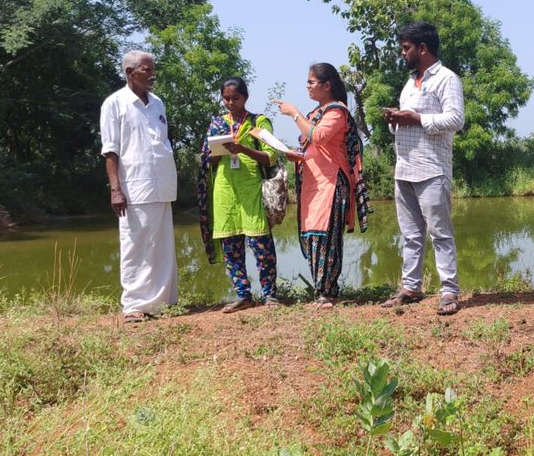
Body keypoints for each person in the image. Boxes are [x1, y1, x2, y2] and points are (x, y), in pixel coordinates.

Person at [379, 22, 464, 315]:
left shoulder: (446, 78)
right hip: (404, 167)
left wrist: (416, 118)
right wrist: (397, 120)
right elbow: (410, 120)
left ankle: (450, 291)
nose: (403, 54)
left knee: (440, 233)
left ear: (422, 49)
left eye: (406, 48)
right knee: (411, 234)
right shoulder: (409, 83)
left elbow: (455, 119)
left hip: (431, 167)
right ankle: (411, 287)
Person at [272, 63, 372, 308]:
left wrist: (294, 114)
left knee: (327, 237)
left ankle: (328, 293)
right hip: (313, 184)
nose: (307, 86)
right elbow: (313, 145)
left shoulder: (337, 112)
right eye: (307, 82)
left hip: (331, 183)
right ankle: (320, 293)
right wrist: (296, 154)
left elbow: (318, 136)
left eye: (311, 82)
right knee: (314, 236)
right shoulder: (316, 113)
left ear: (327, 86)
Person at [100, 50, 179, 323]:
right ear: (129, 72)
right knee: (135, 245)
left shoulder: (158, 103)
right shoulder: (115, 104)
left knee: (162, 244)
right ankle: (134, 304)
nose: (152, 74)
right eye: (147, 70)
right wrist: (115, 188)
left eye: (152, 68)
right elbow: (110, 151)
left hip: (162, 182)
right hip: (133, 184)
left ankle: (163, 301)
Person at [197, 77, 280, 312]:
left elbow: (271, 156)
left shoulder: (258, 122)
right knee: (231, 247)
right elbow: (207, 160)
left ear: (246, 97)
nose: (231, 102)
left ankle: (270, 295)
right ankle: (243, 295)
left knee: (261, 244)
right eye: (226, 98)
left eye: (236, 98)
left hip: (251, 188)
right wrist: (217, 152)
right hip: (224, 190)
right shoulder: (216, 124)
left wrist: (242, 148)